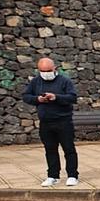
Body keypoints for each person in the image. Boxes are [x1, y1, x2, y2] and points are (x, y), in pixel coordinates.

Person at [21, 57, 79, 187]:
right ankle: (53, 175)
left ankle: (72, 175)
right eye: (42, 70)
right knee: (50, 150)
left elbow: (72, 97)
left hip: (63, 121)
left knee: (69, 149)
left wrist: (56, 97)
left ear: (54, 68)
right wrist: (38, 99)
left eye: (48, 70)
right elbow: (26, 96)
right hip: (45, 121)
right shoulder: (36, 82)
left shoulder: (65, 81)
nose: (45, 73)